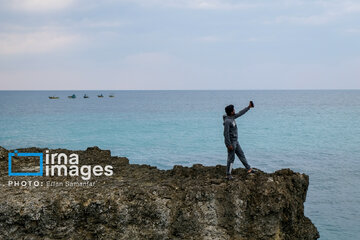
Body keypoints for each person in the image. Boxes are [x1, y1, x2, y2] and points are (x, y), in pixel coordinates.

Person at [223, 102, 255, 180]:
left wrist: (248, 107)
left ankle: (249, 169)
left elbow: (241, 113)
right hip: (231, 143)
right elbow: (225, 134)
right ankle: (228, 175)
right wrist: (228, 145)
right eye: (233, 110)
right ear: (231, 112)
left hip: (236, 141)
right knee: (231, 158)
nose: (235, 110)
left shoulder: (232, 117)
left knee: (241, 154)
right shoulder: (227, 121)